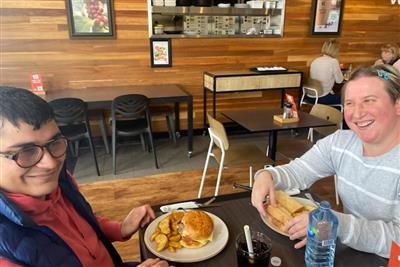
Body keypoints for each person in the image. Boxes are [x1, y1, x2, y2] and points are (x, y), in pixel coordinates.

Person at [0, 87, 169, 267]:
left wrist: (121, 228)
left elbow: (83, 226)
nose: (50, 164)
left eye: (54, 143)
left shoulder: (63, 182)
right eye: (25, 152)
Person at [251, 64, 400, 258]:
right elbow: (298, 172)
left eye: (369, 100)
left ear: (397, 104)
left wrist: (336, 223)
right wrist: (266, 175)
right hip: (353, 251)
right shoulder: (340, 143)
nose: (357, 113)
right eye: (349, 103)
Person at [306, 39, 344, 105]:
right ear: (336, 50)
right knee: (345, 99)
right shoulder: (333, 61)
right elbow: (339, 81)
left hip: (309, 96)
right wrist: (338, 69)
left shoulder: (316, 60)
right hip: (322, 97)